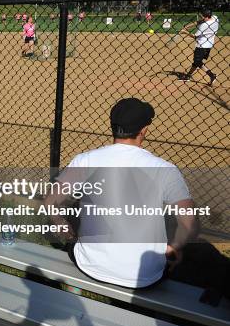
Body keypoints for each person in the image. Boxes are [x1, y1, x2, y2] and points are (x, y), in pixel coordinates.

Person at [45, 98, 199, 289]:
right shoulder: (165, 168)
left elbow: (50, 201)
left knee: (80, 211)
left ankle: (74, 287)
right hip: (146, 278)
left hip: (89, 266)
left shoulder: (86, 159)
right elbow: (189, 224)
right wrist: (174, 247)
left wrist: (60, 223)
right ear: (143, 131)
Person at [179, 9, 219, 86]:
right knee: (196, 61)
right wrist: (188, 26)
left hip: (202, 45)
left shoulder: (205, 26)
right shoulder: (215, 18)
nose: (201, 18)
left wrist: (185, 32)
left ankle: (212, 75)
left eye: (202, 17)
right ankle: (188, 76)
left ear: (207, 17)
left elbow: (195, 36)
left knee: (197, 62)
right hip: (209, 44)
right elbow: (200, 21)